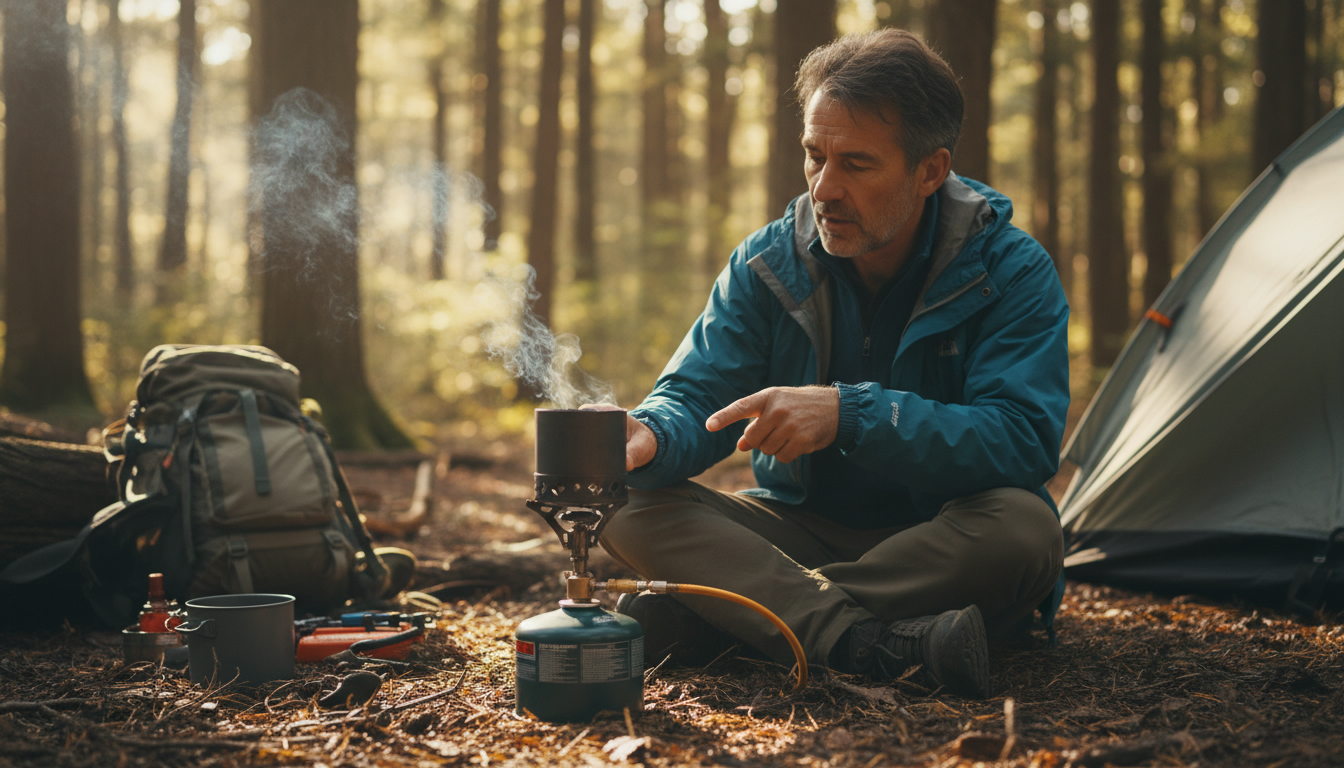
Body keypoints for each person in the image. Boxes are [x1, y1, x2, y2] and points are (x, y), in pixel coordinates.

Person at [597, 28, 1068, 699]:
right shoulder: (768, 263)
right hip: (798, 532)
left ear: (930, 171)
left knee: (1025, 529)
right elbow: (699, 393)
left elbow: (1022, 439)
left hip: (943, 538)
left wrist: (853, 414)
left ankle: (735, 620)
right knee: (620, 498)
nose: (825, 188)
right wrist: (651, 434)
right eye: (814, 157)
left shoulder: (1010, 271)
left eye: (857, 165)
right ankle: (863, 641)